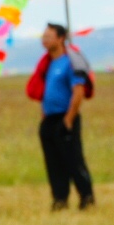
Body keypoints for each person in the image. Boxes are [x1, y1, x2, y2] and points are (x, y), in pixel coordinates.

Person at [29, 23, 94, 211]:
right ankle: (60, 199)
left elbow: (78, 91)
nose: (45, 40)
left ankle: (86, 198)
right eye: (44, 36)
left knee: (73, 160)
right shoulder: (47, 63)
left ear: (60, 38)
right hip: (48, 119)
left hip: (66, 118)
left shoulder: (70, 62)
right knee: (53, 163)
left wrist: (68, 120)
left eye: (49, 36)